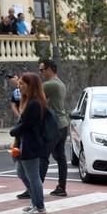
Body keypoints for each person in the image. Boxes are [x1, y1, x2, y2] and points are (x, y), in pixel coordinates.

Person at [10, 73, 49, 214]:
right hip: (23, 144)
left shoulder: (34, 103)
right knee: (21, 172)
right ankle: (35, 201)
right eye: (18, 84)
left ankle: (39, 207)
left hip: (31, 145)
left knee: (33, 177)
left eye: (22, 84)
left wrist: (13, 131)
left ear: (30, 85)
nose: (19, 87)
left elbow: (26, 125)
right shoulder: (28, 101)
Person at [39, 59, 70, 197]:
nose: (41, 73)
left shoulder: (50, 84)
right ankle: (61, 187)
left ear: (50, 69)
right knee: (60, 157)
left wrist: (19, 84)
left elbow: (32, 93)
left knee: (43, 156)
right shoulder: (60, 83)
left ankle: (35, 188)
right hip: (63, 124)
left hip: (54, 125)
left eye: (42, 70)